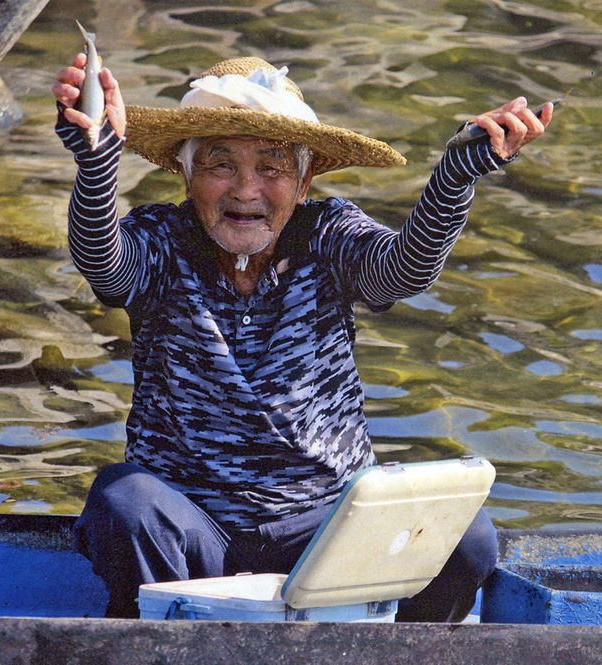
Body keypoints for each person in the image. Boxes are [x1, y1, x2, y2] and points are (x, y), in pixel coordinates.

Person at [52, 54, 551, 620]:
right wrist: (95, 161)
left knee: (466, 535)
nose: (247, 190)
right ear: (187, 176)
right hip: (195, 535)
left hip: (327, 531)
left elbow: (404, 269)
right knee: (125, 503)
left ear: (304, 180)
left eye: (272, 168)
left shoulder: (328, 232)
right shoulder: (161, 241)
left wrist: (456, 174)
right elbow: (103, 260)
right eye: (221, 165)